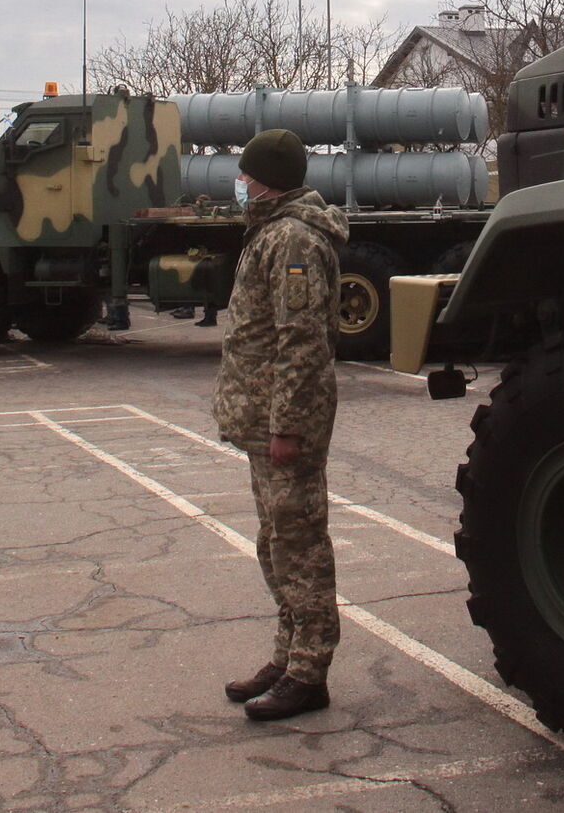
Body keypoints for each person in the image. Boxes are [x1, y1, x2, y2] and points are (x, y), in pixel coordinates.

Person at [211, 129, 348, 722]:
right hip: (261, 420)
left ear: (266, 178)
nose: (239, 184)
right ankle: (286, 656)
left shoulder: (292, 239)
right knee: (275, 544)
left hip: (285, 424)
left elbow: (302, 341)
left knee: (300, 546)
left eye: (245, 175)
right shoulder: (267, 232)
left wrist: (287, 426)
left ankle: (309, 672)